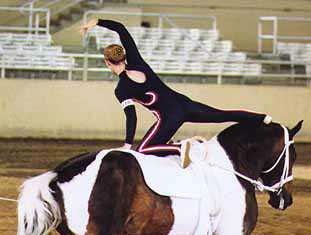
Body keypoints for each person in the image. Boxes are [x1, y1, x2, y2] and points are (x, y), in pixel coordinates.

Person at [81, 19, 272, 167]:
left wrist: (127, 145)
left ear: (107, 63)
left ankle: (182, 148)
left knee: (145, 149)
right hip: (184, 104)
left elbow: (131, 116)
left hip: (169, 117)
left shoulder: (121, 89)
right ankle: (262, 118)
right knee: (221, 115)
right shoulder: (137, 61)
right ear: (123, 56)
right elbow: (121, 28)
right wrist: (96, 22)